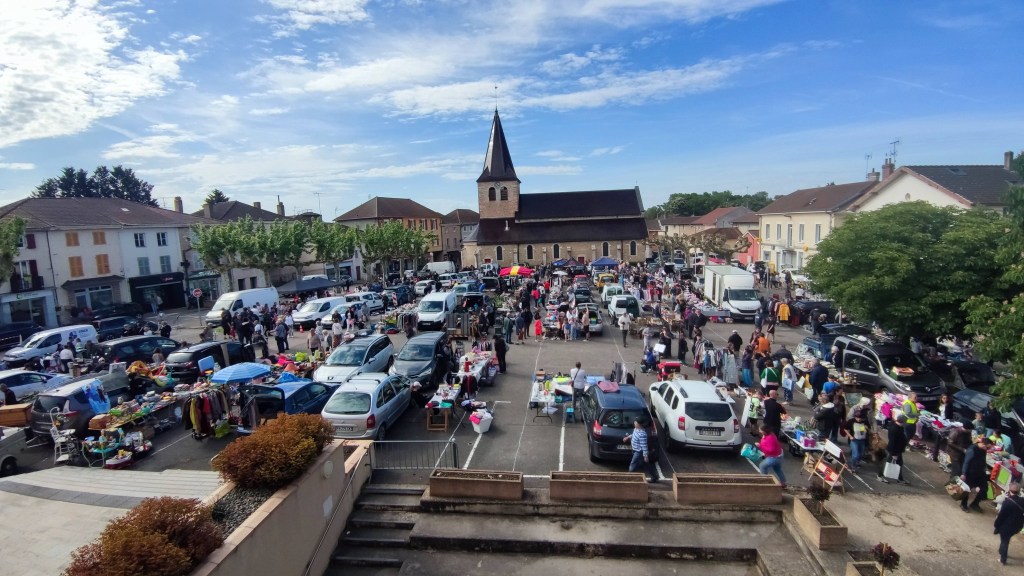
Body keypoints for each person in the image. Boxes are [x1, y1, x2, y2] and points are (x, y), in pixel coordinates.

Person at [994, 482, 1024, 565]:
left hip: (1007, 526)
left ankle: (1003, 559)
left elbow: (1001, 516)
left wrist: (996, 525)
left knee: (1004, 541)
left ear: (1010, 491)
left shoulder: (1007, 502)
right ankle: (1001, 550)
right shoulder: (1022, 501)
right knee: (1006, 539)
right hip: (1017, 526)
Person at [962, 436, 994, 511]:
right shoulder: (972, 449)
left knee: (984, 488)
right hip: (971, 473)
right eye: (987, 447)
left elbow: (983, 460)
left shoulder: (983, 450)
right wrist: (963, 473)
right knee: (967, 489)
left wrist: (985, 469)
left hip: (980, 473)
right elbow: (966, 462)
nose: (988, 450)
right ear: (983, 444)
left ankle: (975, 504)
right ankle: (963, 504)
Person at [623, 417, 657, 483]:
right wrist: (628, 437)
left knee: (632, 465)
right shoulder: (636, 429)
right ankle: (654, 476)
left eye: (636, 422)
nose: (634, 423)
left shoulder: (642, 434)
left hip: (639, 452)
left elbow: (644, 446)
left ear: (639, 424)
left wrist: (645, 456)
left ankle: (630, 478)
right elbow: (633, 434)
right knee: (645, 464)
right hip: (635, 450)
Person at [878, 415, 909, 485]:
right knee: (887, 463)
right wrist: (894, 454)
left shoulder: (898, 427)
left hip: (898, 450)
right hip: (893, 451)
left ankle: (900, 478)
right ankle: (880, 476)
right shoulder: (895, 429)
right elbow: (893, 442)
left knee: (899, 464)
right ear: (902, 422)